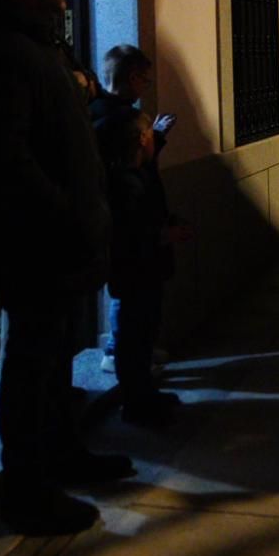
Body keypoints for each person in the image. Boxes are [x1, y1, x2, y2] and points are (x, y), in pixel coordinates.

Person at [0, 0, 133, 536]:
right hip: (37, 245)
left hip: (63, 242)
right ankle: (28, 493)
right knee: (29, 368)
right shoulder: (5, 52)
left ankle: (64, 457)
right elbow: (7, 156)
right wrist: (66, 211)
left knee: (54, 359)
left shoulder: (41, 44)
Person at [93, 105, 186, 426]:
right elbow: (132, 232)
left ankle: (146, 394)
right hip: (136, 272)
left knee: (143, 337)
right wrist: (165, 235)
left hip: (144, 271)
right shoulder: (125, 182)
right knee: (133, 341)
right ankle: (137, 404)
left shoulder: (136, 172)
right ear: (140, 139)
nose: (152, 141)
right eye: (149, 136)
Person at [91, 45, 177, 380]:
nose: (147, 86)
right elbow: (129, 172)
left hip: (132, 227)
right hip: (131, 232)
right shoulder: (116, 119)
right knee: (131, 300)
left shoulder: (102, 111)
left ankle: (130, 352)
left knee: (133, 299)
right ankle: (120, 353)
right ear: (133, 77)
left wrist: (153, 137)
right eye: (146, 79)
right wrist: (151, 138)